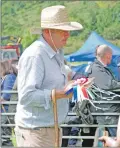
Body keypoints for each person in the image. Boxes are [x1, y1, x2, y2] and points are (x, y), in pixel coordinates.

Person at [14, 5, 83, 147]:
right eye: (63, 31)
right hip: (35, 132)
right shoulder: (35, 55)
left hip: (48, 129)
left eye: (67, 31)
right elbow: (26, 96)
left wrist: (73, 83)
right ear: (47, 32)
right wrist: (61, 93)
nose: (67, 35)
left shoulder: (56, 52)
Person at [83, 45, 120, 145]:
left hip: (108, 109)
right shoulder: (96, 68)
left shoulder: (98, 67)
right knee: (118, 140)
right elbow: (108, 84)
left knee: (115, 138)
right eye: (111, 55)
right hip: (107, 111)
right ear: (108, 55)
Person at [1, 60, 17, 146]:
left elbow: (7, 94)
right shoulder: (6, 78)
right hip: (4, 111)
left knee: (4, 137)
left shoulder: (9, 77)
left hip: (6, 111)